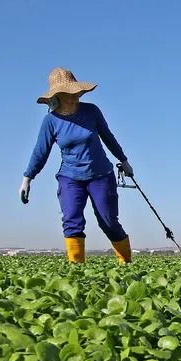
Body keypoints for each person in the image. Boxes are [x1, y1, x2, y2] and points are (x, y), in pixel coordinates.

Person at [20, 68, 135, 264]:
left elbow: (108, 137)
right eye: (68, 94)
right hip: (70, 177)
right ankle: (77, 270)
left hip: (100, 175)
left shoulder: (92, 111)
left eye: (75, 92)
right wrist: (27, 179)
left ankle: (125, 263)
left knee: (108, 222)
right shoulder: (51, 121)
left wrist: (124, 161)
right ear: (57, 96)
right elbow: (40, 151)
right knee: (72, 221)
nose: (74, 97)